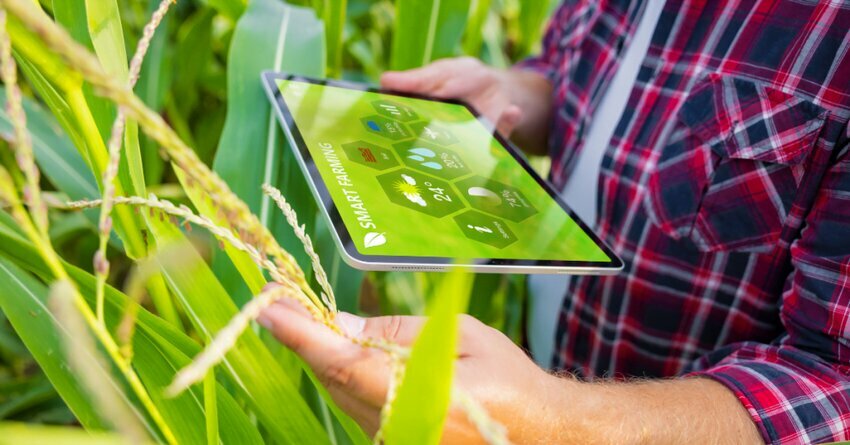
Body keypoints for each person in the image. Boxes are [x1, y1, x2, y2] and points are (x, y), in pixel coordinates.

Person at [258, 0, 850, 442]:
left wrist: (550, 425)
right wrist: (512, 91)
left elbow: (834, 387)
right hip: (545, 356)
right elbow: (581, 75)